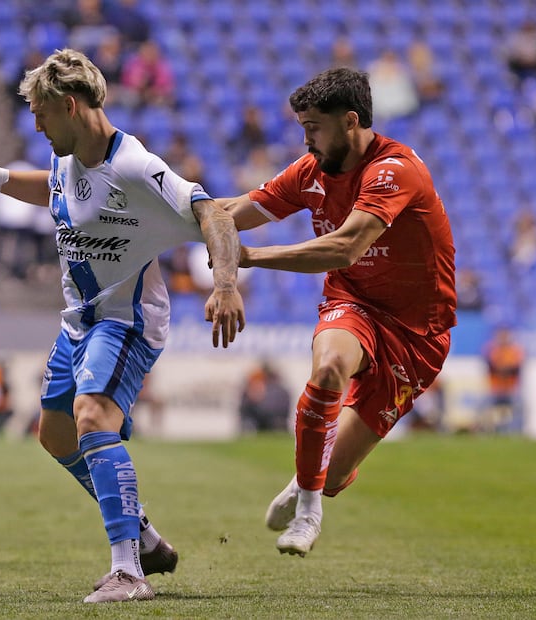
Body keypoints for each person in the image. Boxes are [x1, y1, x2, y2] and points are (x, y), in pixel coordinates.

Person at [0, 48, 244, 603]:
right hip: (79, 321)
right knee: (55, 435)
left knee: (92, 416)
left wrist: (223, 283)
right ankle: (141, 533)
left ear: (69, 106)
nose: (36, 125)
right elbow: (44, 184)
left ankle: (128, 572)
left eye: (40, 115)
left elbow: (212, 211)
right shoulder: (69, 163)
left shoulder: (136, 167)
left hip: (126, 320)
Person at [217, 67, 456, 557]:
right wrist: (169, 214)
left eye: (313, 128)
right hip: (354, 303)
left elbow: (346, 247)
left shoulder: (394, 170)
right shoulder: (311, 171)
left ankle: (311, 486)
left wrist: (252, 258)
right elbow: (231, 213)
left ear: (350, 121)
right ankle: (308, 513)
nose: (305, 141)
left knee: (333, 474)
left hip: (418, 333)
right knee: (328, 368)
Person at [481, 327, 524, 432]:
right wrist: (504, 369)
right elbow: (491, 366)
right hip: (496, 390)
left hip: (510, 390)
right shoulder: (493, 350)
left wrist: (502, 369)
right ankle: (487, 431)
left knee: (520, 405)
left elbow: (516, 368)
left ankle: (516, 432)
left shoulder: (514, 351)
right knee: (482, 405)